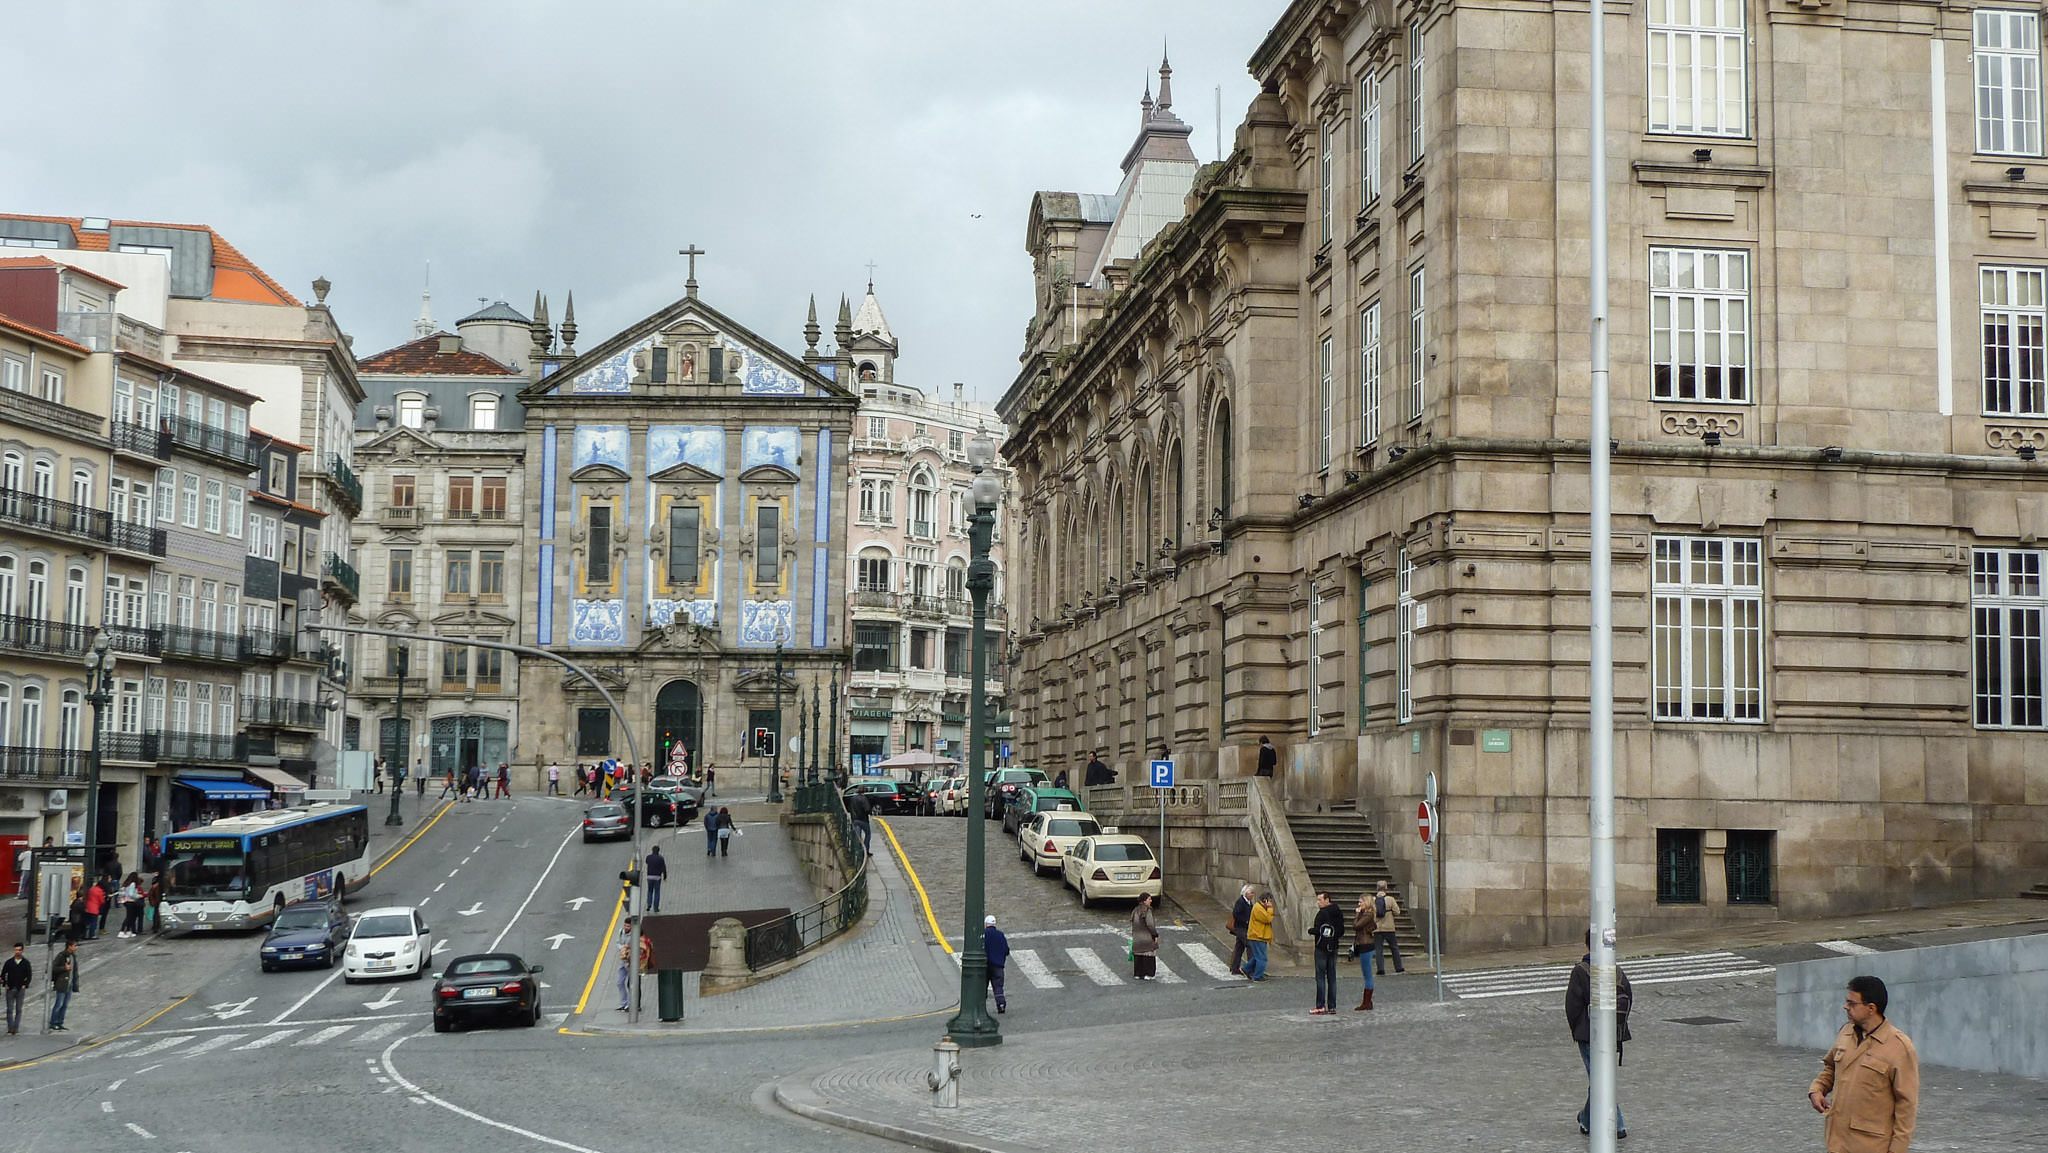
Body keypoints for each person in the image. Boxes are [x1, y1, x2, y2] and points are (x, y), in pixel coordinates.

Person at [1809, 975, 1918, 1152]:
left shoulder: (1899, 1047)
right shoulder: (1846, 1032)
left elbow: (1907, 1106)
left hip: (1871, 1146)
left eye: (1852, 1003)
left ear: (1871, 1008)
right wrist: (1817, 1089)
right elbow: (1831, 1067)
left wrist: (1897, 1150)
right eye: (1846, 1002)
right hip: (1837, 1142)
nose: (1846, 1007)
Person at [1564, 930, 1634, 1139]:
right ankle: (1586, 1119)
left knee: (1599, 1079)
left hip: (1589, 1035)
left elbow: (1572, 1006)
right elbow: (1628, 997)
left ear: (1587, 946)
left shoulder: (1581, 971)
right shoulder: (1616, 970)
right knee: (1600, 1077)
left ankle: (1618, 1124)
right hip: (1613, 1033)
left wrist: (1579, 1030)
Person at [1310, 890, 1344, 1014]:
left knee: (1320, 977)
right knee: (1332, 977)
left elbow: (1318, 930)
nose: (1318, 902)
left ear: (1327, 900)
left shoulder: (1322, 914)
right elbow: (1341, 930)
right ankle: (1332, 1006)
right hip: (1334, 946)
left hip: (1321, 948)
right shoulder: (1338, 912)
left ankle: (1320, 1005)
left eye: (1320, 900)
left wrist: (1311, 931)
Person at [1369, 880, 1405, 975]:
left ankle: (1380, 969)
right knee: (1394, 948)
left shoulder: (1372, 900)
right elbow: (1397, 912)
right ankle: (1398, 967)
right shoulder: (1390, 899)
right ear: (1386, 889)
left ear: (1377, 889)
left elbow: (1369, 914)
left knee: (1378, 950)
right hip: (1389, 927)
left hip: (1377, 928)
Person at [1351, 892, 1378, 1010]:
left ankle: (1366, 1002)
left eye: (1361, 902)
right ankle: (1368, 1002)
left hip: (1366, 945)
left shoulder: (1367, 915)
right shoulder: (1366, 914)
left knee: (1368, 975)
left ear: (1366, 903)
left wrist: (1357, 914)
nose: (1359, 904)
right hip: (1364, 944)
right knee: (1366, 973)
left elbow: (1356, 925)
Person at [48, 939, 78, 1031]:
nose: (76, 947)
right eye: (75, 945)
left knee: (65, 1005)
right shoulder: (61, 956)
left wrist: (75, 983)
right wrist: (64, 968)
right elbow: (53, 968)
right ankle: (53, 1023)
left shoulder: (73, 956)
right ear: (69, 946)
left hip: (69, 984)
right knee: (59, 1004)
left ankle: (60, 1022)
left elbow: (75, 971)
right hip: (61, 983)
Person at [983, 914, 1010, 1013]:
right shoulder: (1000, 935)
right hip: (998, 966)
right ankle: (1001, 1005)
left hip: (985, 966)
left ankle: (981, 1007)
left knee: (982, 987)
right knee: (998, 987)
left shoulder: (983, 934)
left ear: (986, 924)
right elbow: (1006, 950)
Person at [1244, 894, 1274, 981]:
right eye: (1270, 901)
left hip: (1259, 936)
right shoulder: (1258, 908)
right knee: (1262, 958)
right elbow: (1267, 919)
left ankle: (1245, 969)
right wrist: (1270, 909)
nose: (1271, 904)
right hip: (1257, 936)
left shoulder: (1260, 907)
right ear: (1265, 901)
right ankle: (1257, 976)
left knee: (1258, 956)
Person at [1130, 892, 1160, 980]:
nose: (1151, 901)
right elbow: (1150, 924)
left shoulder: (1135, 910)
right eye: (1149, 899)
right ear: (1144, 901)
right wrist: (1155, 935)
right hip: (1146, 936)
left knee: (1138, 954)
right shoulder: (1147, 910)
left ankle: (1138, 973)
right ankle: (1149, 974)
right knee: (1148, 954)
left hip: (1137, 936)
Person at [1228, 884, 1256, 977]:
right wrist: (1246, 921)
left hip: (1243, 927)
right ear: (1246, 893)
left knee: (1239, 947)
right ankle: (1249, 970)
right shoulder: (1241, 902)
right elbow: (1236, 914)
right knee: (1250, 945)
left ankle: (1235, 968)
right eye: (1251, 893)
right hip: (1240, 928)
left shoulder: (1247, 902)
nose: (1253, 895)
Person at [2, 943, 29, 1035]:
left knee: (19, 1009)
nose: (17, 952)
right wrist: (5, 984)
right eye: (15, 950)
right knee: (9, 1009)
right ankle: (10, 1028)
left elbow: (29, 975)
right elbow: (3, 974)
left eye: (19, 950)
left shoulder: (25, 963)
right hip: (10, 987)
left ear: (22, 951)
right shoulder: (9, 962)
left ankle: (16, 1028)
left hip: (20, 988)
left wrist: (25, 984)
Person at [117, 873, 145, 938]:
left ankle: (128, 931)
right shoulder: (133, 884)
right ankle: (122, 931)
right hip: (130, 902)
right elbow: (131, 894)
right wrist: (139, 896)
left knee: (130, 916)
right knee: (129, 917)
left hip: (126, 901)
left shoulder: (126, 883)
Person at [845, 789, 873, 854]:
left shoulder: (852, 798)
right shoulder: (864, 799)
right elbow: (867, 809)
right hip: (863, 820)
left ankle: (856, 850)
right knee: (868, 834)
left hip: (855, 819)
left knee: (858, 836)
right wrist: (870, 812)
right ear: (864, 791)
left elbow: (850, 808)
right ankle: (865, 850)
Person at [645, 846, 667, 913]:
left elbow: (646, 862)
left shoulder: (648, 857)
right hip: (657, 877)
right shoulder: (661, 858)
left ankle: (649, 904)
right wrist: (665, 877)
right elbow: (664, 868)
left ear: (652, 850)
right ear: (658, 851)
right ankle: (656, 908)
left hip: (649, 877)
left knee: (650, 891)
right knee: (657, 892)